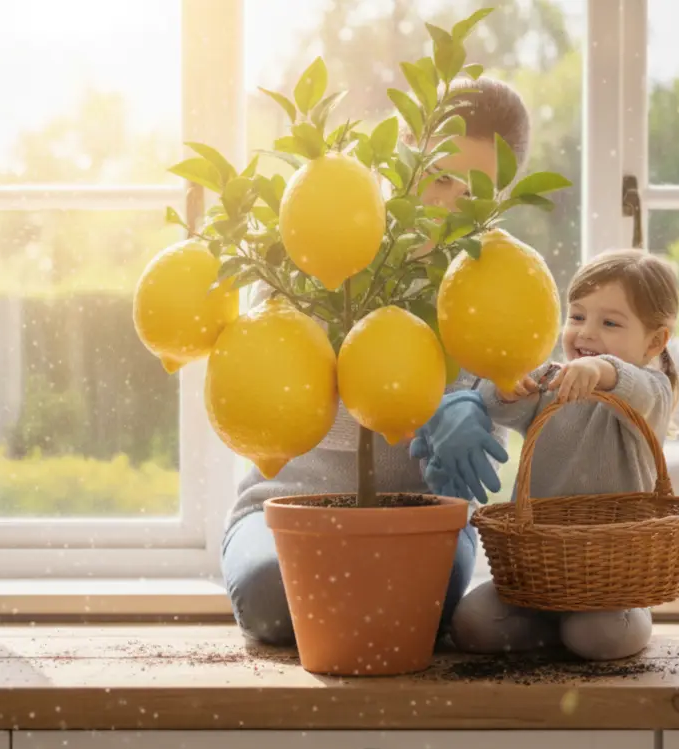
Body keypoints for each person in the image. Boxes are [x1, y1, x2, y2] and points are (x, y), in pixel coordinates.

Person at [221, 77, 532, 647]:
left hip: (422, 519)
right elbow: (277, 401)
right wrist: (422, 404)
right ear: (404, 161)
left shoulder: (497, 277)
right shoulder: (322, 243)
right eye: (439, 178)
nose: (449, 205)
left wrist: (482, 401)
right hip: (287, 509)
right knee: (277, 596)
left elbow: (529, 395)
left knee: (413, 609)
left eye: (476, 190)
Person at [418, 248, 679, 660]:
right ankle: (553, 623)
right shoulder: (553, 383)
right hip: (539, 570)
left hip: (610, 581)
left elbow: (630, 383)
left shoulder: (650, 393)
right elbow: (498, 405)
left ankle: (601, 622)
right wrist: (505, 385)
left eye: (610, 323)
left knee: (600, 635)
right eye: (577, 317)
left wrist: (600, 371)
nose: (586, 333)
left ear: (655, 340)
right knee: (471, 625)